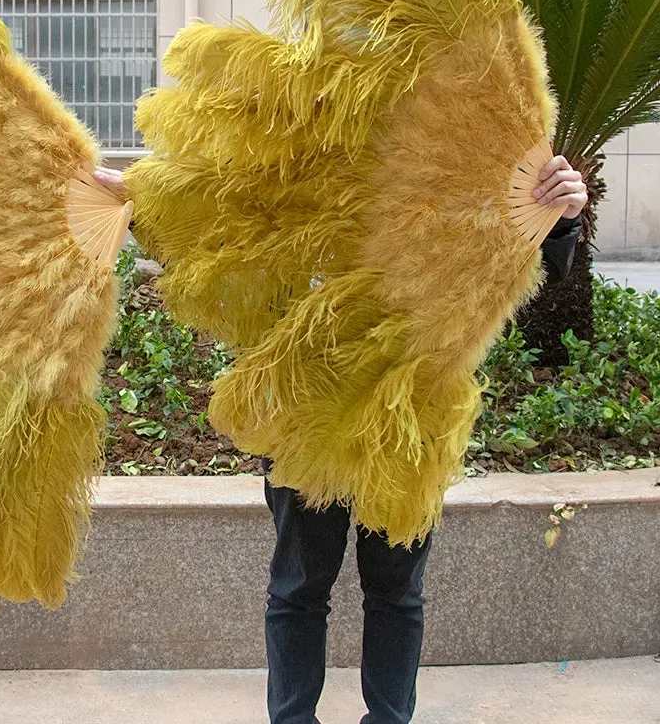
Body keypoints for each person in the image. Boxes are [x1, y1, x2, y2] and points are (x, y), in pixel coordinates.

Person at [94, 156, 588, 724]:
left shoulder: (443, 142)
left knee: (396, 589)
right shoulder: (287, 142)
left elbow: (512, 266)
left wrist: (558, 218)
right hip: (305, 409)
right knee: (299, 586)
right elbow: (220, 242)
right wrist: (144, 207)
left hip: (410, 410)